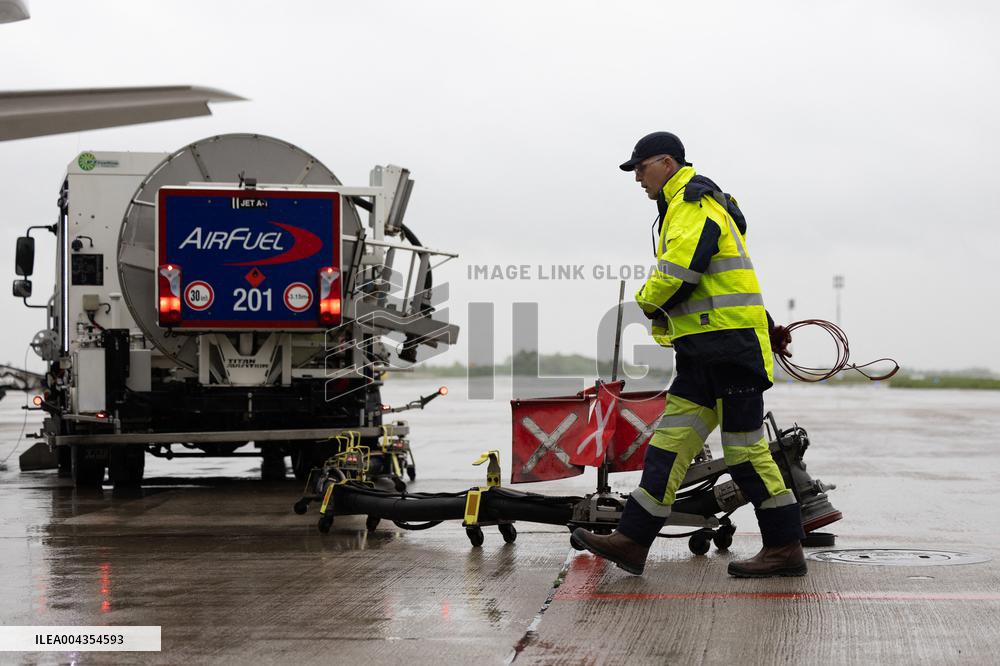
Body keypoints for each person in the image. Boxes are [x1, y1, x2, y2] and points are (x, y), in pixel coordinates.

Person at [571, 131, 806, 578]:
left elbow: (680, 275)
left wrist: (642, 302)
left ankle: (784, 546)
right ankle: (633, 541)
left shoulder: (693, 205)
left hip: (729, 351)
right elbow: (726, 282)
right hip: (703, 353)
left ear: (666, 163)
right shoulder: (685, 207)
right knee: (667, 449)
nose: (637, 178)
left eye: (640, 168)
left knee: (746, 454)